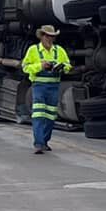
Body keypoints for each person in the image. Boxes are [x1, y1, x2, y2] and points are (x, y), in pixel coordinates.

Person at [21, 24, 71, 154]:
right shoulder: (33, 50)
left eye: (52, 36)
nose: (49, 39)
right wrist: (40, 66)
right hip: (39, 87)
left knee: (50, 116)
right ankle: (39, 143)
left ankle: (44, 141)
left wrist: (62, 67)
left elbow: (68, 65)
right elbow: (25, 67)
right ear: (42, 36)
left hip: (53, 87)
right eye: (47, 36)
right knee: (38, 114)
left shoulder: (59, 51)